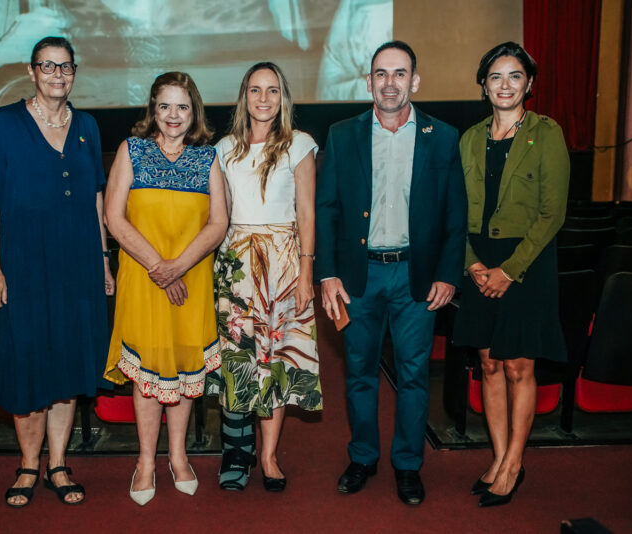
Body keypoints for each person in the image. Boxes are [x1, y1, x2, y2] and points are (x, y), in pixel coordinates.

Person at [315, 41, 467, 505]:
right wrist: (327, 273)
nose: (390, 83)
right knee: (359, 372)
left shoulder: (443, 136)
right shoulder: (342, 135)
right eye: (381, 73)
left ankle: (407, 464)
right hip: (358, 279)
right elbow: (327, 208)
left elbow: (455, 213)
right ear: (368, 82)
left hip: (416, 278)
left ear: (414, 81)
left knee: (414, 375)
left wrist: (448, 274)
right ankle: (363, 457)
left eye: (400, 73)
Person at [0, 36, 115, 508]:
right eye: (48, 66)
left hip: (78, 266)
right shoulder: (4, 124)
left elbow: (96, 198)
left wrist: (103, 261)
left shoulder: (88, 126)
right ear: (31, 71)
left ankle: (58, 464)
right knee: (29, 362)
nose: (58, 74)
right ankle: (28, 464)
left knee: (68, 365)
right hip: (24, 265)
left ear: (74, 72)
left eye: (66, 67)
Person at [452, 41, 569, 507]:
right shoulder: (469, 138)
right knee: (489, 364)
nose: (505, 85)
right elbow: (454, 211)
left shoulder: (547, 133)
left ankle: (514, 463)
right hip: (479, 264)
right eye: (496, 77)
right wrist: (473, 264)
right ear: (483, 85)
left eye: (514, 76)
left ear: (529, 84)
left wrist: (509, 271)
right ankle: (499, 457)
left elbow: (552, 213)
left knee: (519, 366)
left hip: (527, 264)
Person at [103, 72, 228, 506]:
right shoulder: (132, 150)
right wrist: (160, 268)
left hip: (191, 279)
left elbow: (219, 223)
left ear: (194, 112)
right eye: (165, 106)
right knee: (148, 369)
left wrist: (178, 267)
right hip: (144, 278)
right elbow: (113, 217)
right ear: (153, 110)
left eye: (182, 107)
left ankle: (178, 456)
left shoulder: (208, 157)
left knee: (184, 366)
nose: (173, 115)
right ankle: (144, 461)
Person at [213, 62, 322, 492]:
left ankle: (269, 456)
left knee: (276, 362)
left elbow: (307, 212)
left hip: (283, 267)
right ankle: (237, 455)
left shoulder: (300, 144)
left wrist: (307, 271)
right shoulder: (223, 149)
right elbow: (218, 216)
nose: (263, 98)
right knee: (240, 361)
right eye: (255, 90)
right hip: (236, 267)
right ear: (244, 97)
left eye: (272, 90)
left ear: (283, 98)